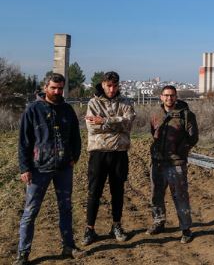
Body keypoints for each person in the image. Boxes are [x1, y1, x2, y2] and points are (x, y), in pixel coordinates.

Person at [15, 73, 82, 265]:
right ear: (46, 88)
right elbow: (23, 142)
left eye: (60, 88)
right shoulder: (33, 110)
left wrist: (74, 157)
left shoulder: (67, 109)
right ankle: (23, 253)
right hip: (38, 169)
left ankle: (68, 246)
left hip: (63, 168)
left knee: (66, 208)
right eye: (53, 88)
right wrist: (24, 168)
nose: (57, 91)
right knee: (30, 211)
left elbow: (76, 137)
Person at [83, 71, 135, 245]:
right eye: (108, 85)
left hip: (119, 153)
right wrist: (117, 123)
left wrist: (104, 121)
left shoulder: (126, 102)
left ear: (118, 85)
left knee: (118, 191)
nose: (112, 89)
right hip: (99, 153)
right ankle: (89, 229)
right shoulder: (93, 103)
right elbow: (92, 128)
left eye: (114, 85)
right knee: (94, 192)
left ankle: (116, 225)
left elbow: (128, 124)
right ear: (103, 84)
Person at [147, 85, 199, 243]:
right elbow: (153, 132)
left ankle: (186, 229)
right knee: (156, 195)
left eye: (172, 95)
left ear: (176, 97)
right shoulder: (155, 114)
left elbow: (193, 137)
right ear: (161, 97)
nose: (169, 98)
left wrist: (182, 149)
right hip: (157, 162)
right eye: (166, 95)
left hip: (176, 162)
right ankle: (159, 222)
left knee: (180, 196)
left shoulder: (186, 115)